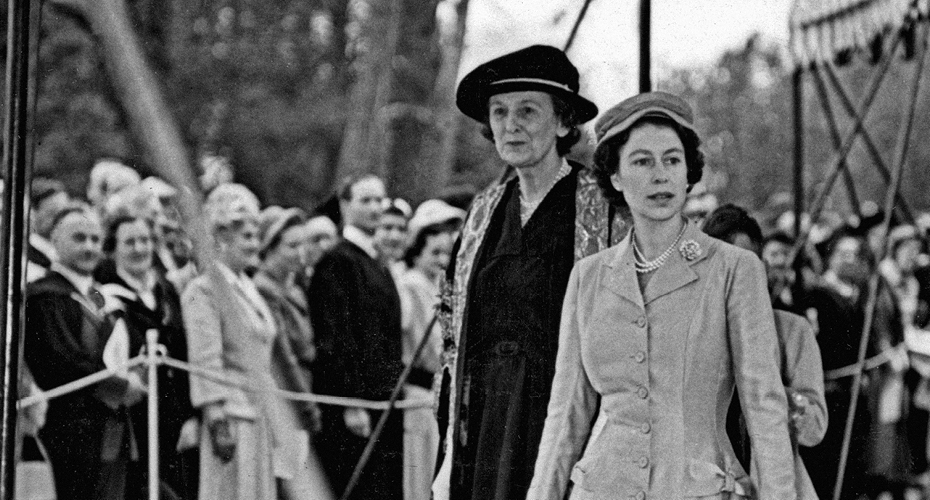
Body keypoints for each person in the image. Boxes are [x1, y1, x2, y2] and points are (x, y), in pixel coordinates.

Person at [526, 92, 797, 499]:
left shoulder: (733, 269)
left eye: (672, 160)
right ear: (615, 176)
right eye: (642, 161)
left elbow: (764, 408)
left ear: (689, 173)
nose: (660, 175)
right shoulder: (589, 277)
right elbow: (566, 414)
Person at [434, 44, 623, 500]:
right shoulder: (481, 214)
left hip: (563, 416)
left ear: (563, 122)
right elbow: (452, 330)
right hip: (486, 421)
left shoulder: (603, 207)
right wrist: (446, 456)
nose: (510, 124)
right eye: (499, 112)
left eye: (527, 111)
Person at [182, 183, 303, 499]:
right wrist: (216, 416)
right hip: (231, 414)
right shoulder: (204, 289)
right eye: (247, 237)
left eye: (256, 236)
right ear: (221, 239)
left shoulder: (248, 287)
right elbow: (205, 357)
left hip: (261, 412)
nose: (255, 245)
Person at [703, 204, 827, 499]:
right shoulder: (690, 334)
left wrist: (775, 394)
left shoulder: (791, 331)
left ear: (761, 267)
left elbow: (814, 429)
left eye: (743, 263)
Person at [25, 204, 146, 499]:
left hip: (114, 430)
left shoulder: (104, 297)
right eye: (79, 238)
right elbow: (61, 360)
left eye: (95, 239)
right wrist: (120, 386)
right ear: (54, 241)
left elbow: (136, 350)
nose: (90, 247)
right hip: (69, 432)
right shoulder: (43, 296)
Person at [308, 173, 404, 499]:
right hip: (355, 405)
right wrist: (351, 401)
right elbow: (336, 335)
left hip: (384, 399)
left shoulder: (376, 262)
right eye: (366, 200)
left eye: (380, 200)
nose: (376, 208)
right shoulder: (338, 261)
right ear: (345, 205)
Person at [95, 214, 199, 499]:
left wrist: (191, 415)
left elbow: (184, 353)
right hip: (133, 421)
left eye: (145, 240)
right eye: (130, 242)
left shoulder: (166, 291)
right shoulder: (104, 295)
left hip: (174, 419)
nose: (140, 249)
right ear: (113, 248)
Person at [254, 206, 332, 499]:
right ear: (269, 248)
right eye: (291, 245)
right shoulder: (264, 289)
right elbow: (283, 356)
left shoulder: (297, 290)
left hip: (303, 389)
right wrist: (306, 406)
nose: (300, 253)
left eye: (303, 244)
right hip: (287, 397)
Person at [398, 200, 465, 500]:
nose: (442, 260)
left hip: (441, 390)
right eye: (434, 253)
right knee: (421, 468)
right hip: (420, 387)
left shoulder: (442, 286)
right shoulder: (411, 284)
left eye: (446, 253)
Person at [27, 177, 69, 282]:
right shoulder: (28, 254)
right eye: (53, 213)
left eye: (65, 213)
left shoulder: (68, 251)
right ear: (32, 213)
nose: (61, 220)